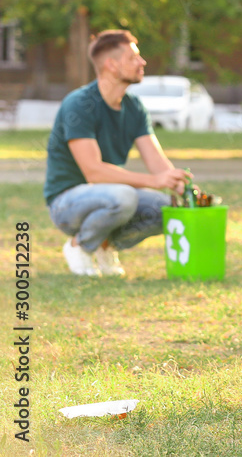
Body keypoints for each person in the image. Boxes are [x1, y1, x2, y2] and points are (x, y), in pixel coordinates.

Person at [44, 30, 191, 277]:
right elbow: (94, 172)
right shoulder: (80, 104)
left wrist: (179, 185)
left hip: (109, 195)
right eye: (133, 57)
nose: (142, 62)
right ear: (111, 65)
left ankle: (105, 246)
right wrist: (153, 181)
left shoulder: (133, 107)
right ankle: (79, 246)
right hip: (66, 202)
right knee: (123, 196)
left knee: (167, 209)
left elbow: (156, 162)